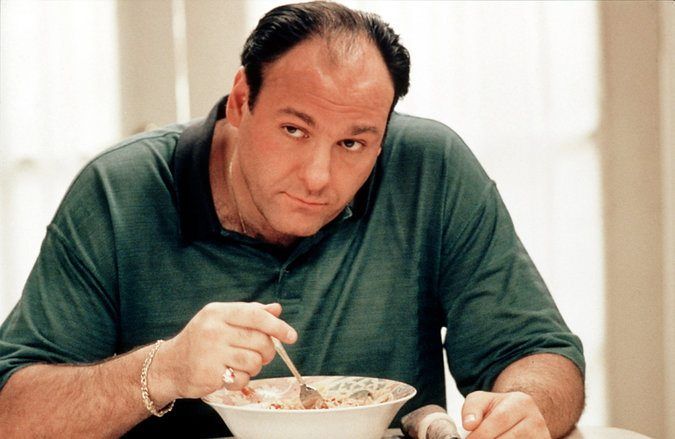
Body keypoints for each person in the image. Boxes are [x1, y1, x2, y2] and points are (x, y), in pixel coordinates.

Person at [0, 2, 584, 438]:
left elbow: (539, 354)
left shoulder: (430, 168)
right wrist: (163, 370)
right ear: (240, 100)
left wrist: (524, 408)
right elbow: (12, 412)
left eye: (354, 143)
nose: (317, 177)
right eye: (294, 130)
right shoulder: (119, 190)